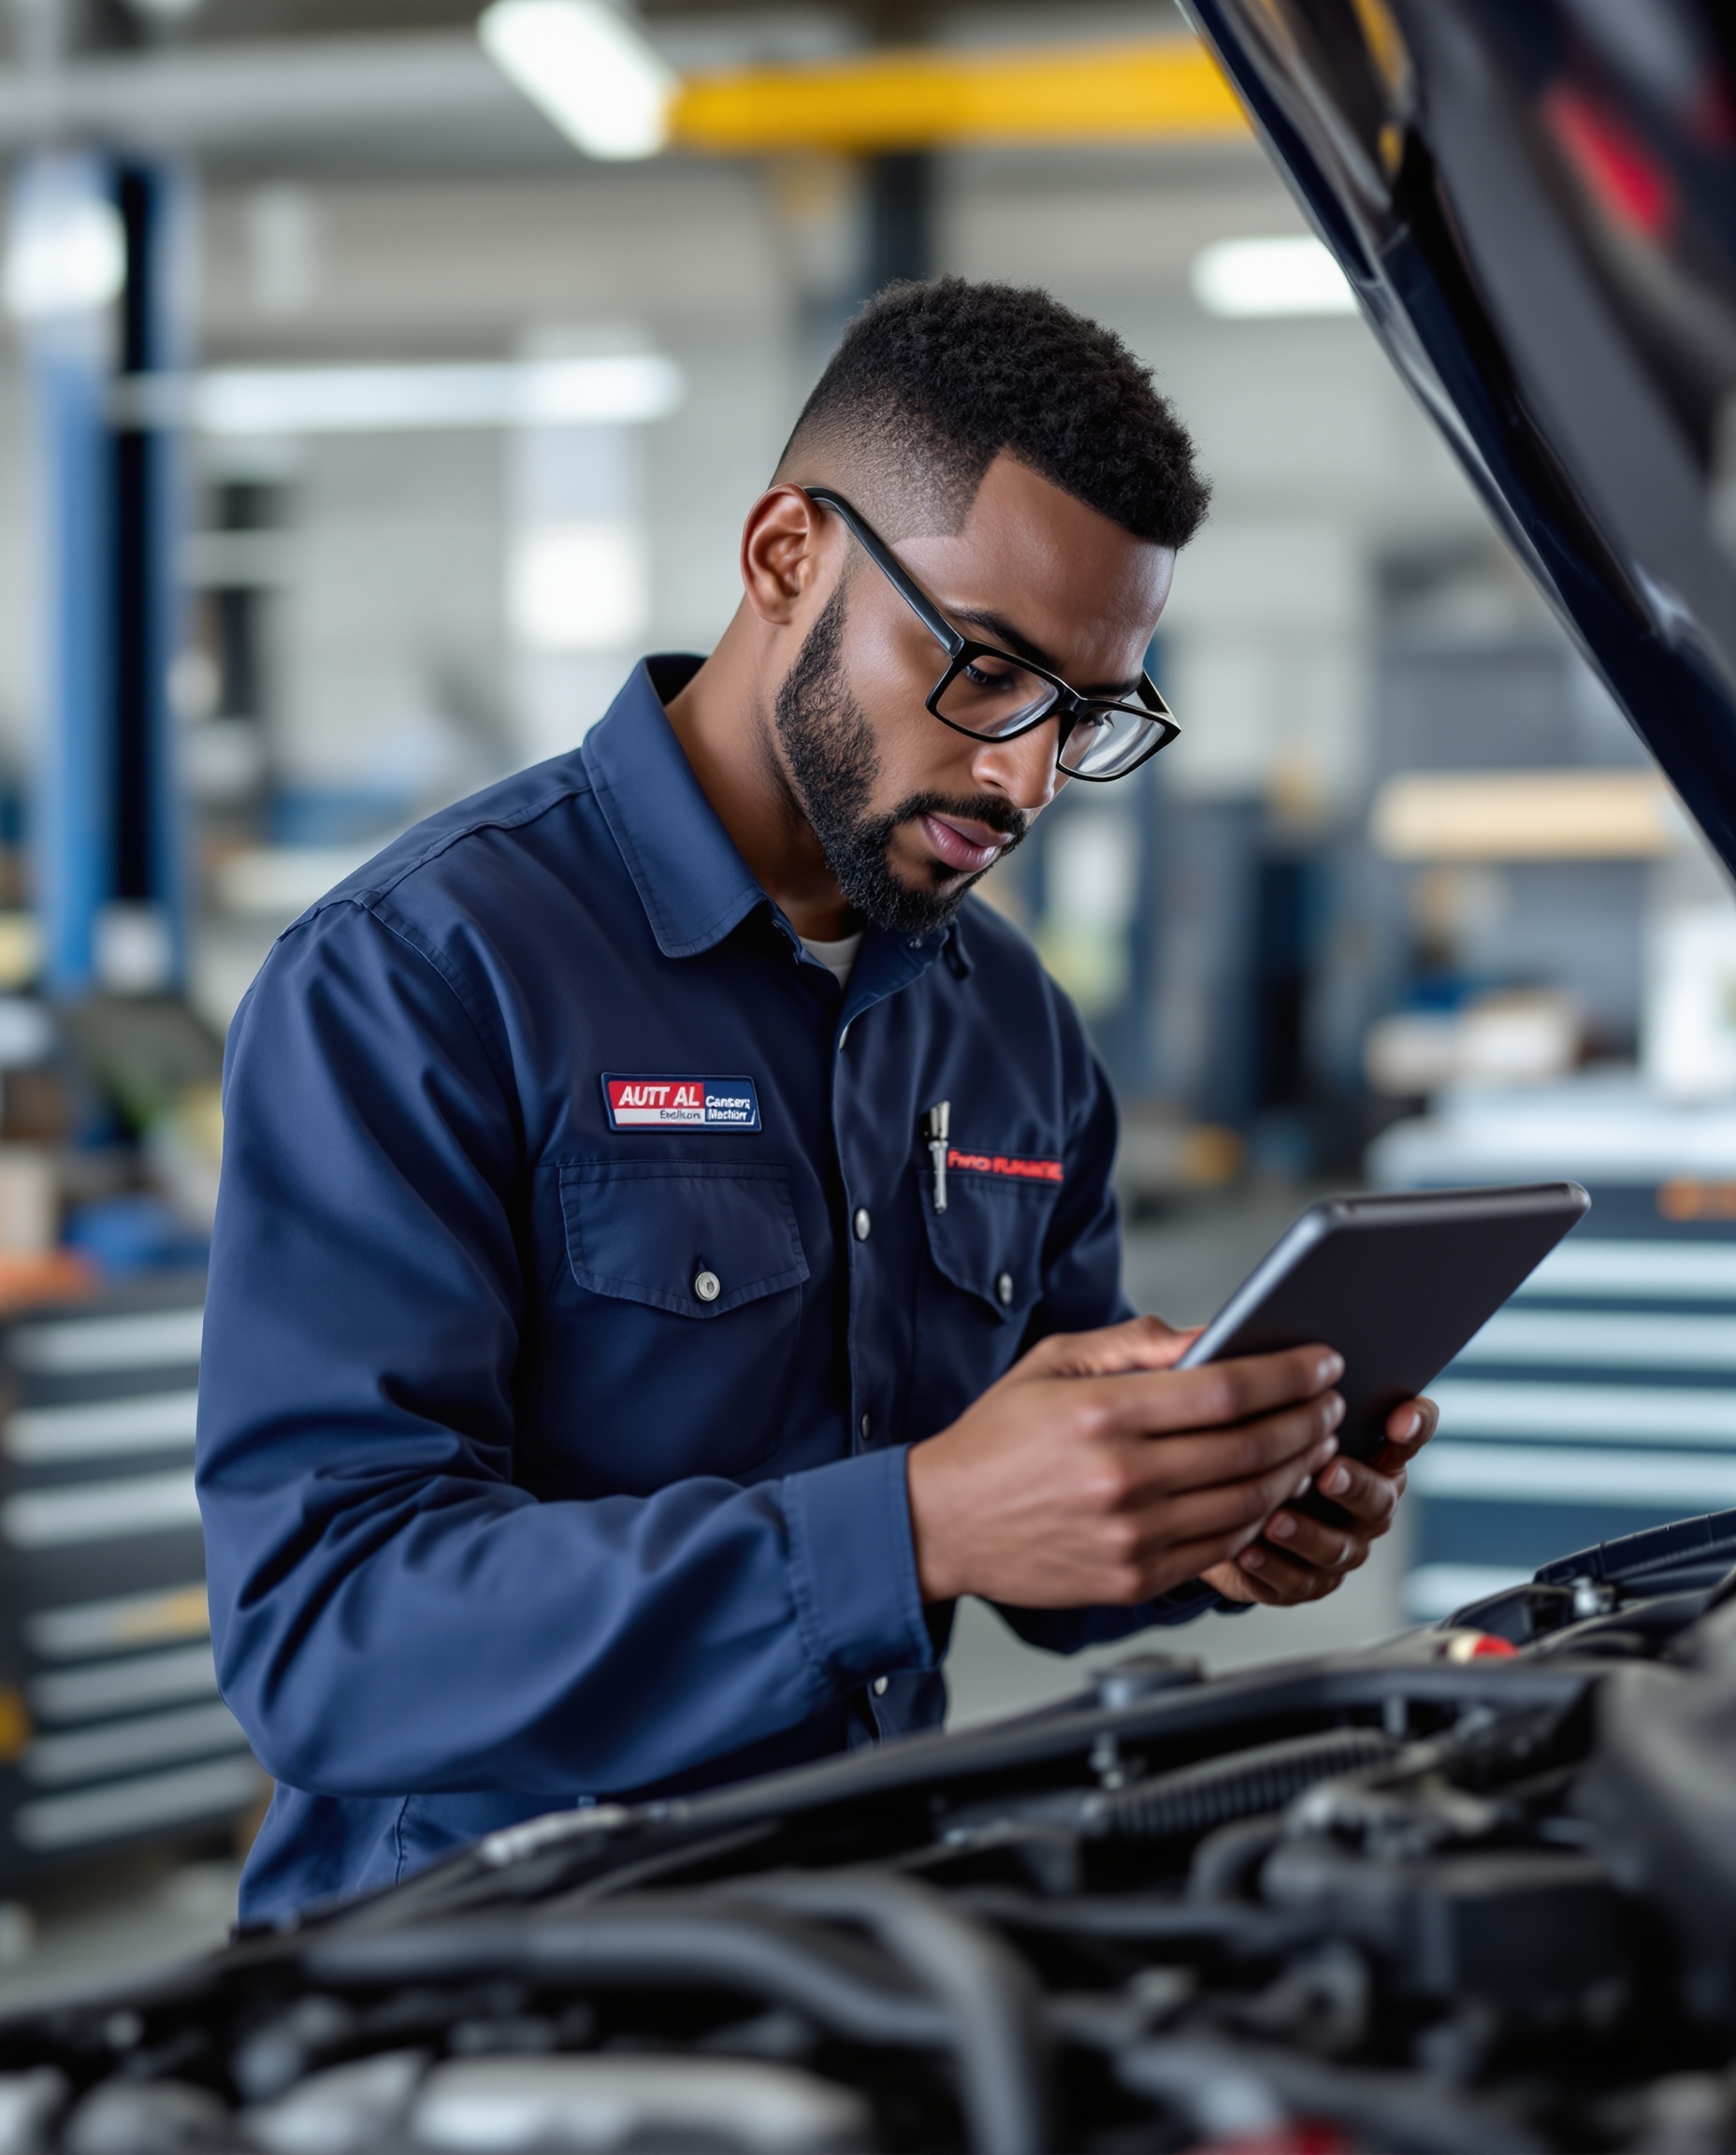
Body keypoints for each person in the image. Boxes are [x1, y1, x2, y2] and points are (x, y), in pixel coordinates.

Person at [198, 277, 1437, 1922]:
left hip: (857, 1945)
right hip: (470, 1985)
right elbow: (326, 1634)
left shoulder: (1014, 1031)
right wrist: (910, 1525)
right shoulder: (419, 975)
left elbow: (1030, 1546)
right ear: (786, 557)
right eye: (987, 673)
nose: (1027, 779)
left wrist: (1193, 1516)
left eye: (1086, 713)